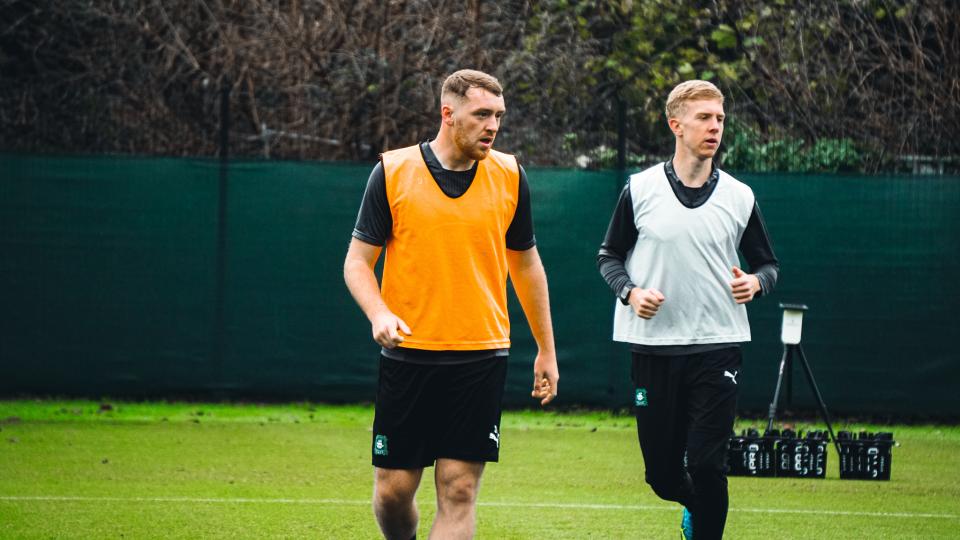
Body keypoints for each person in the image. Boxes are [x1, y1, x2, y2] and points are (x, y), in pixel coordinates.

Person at [344, 69, 559, 540]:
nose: (492, 126)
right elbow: (357, 263)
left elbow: (526, 266)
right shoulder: (393, 171)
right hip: (408, 354)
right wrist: (379, 313)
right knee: (393, 492)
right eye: (481, 114)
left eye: (498, 115)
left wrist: (546, 349)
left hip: (481, 354)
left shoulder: (510, 175)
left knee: (459, 489)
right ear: (448, 114)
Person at [597, 80, 779, 540]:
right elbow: (609, 257)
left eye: (720, 118)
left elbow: (768, 265)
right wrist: (630, 293)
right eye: (704, 118)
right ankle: (695, 509)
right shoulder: (639, 189)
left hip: (718, 345)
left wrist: (756, 283)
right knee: (661, 476)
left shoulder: (740, 196)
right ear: (675, 125)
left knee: (707, 463)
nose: (715, 126)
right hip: (653, 347)